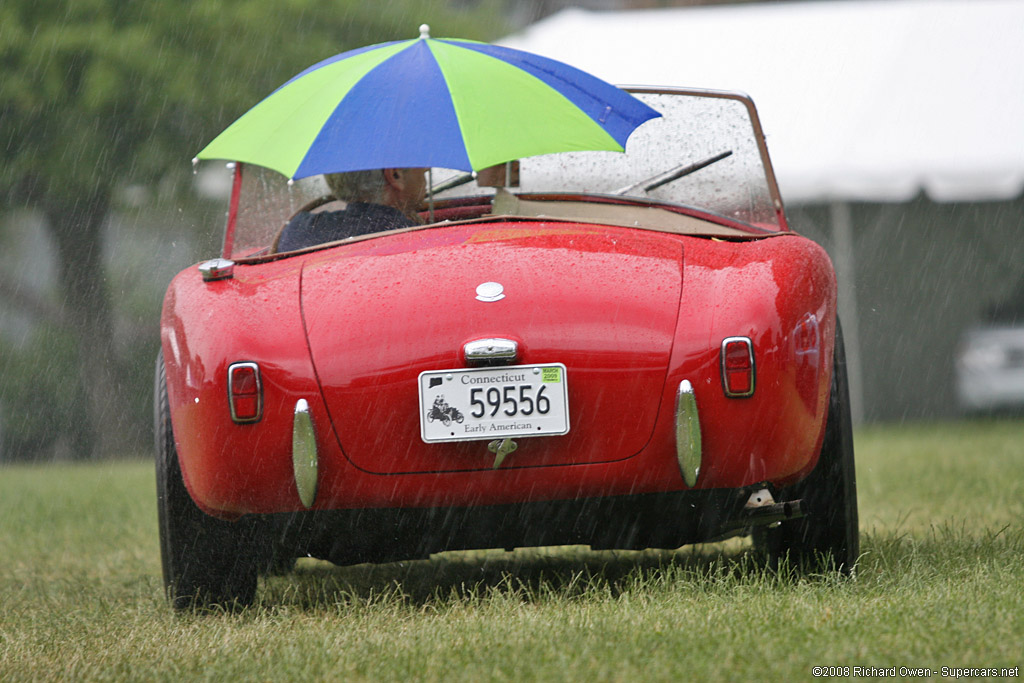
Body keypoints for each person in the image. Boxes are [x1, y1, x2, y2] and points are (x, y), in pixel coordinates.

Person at [275, 167, 427, 252]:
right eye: (421, 166)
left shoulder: (298, 230)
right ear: (395, 175)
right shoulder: (419, 240)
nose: (426, 169)